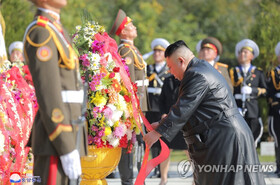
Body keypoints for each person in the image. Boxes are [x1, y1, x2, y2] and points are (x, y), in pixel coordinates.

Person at [143, 40, 265, 185]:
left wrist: (157, 133)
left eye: (170, 67)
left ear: (181, 61)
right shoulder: (199, 69)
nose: (170, 72)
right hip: (220, 135)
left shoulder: (197, 74)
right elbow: (187, 108)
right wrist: (161, 124)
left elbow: (183, 109)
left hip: (227, 137)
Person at [23, 0, 88, 184]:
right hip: (56, 137)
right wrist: (65, 146)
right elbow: (49, 95)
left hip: (72, 129)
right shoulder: (41, 32)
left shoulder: (56, 30)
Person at [110, 9, 149, 185]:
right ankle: (128, 180)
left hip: (140, 104)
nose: (134, 28)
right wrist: (135, 108)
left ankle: (138, 178)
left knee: (138, 143)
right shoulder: (125, 51)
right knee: (130, 143)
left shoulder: (133, 49)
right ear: (124, 31)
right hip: (134, 105)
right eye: (131, 26)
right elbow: (129, 83)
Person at [229, 39, 267, 147]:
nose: (242, 54)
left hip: (252, 111)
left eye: (245, 52)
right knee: (237, 140)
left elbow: (266, 91)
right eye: (241, 52)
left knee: (253, 138)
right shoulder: (233, 71)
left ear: (252, 56)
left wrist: (253, 90)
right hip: (237, 108)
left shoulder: (258, 72)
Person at [145, 38, 171, 179]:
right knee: (150, 139)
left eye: (160, 51)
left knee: (162, 139)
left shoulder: (168, 70)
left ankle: (161, 169)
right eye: (155, 51)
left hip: (161, 108)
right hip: (150, 107)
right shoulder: (148, 69)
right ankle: (153, 167)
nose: (156, 54)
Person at [158, 74, 188, 185]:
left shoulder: (188, 79)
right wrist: (163, 114)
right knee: (165, 150)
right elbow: (161, 100)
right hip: (169, 121)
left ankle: (196, 180)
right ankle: (163, 179)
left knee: (189, 151)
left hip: (184, 121)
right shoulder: (168, 80)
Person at [267, 41, 280, 177]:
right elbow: (269, 92)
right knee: (278, 140)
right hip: (277, 111)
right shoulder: (272, 74)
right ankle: (279, 166)